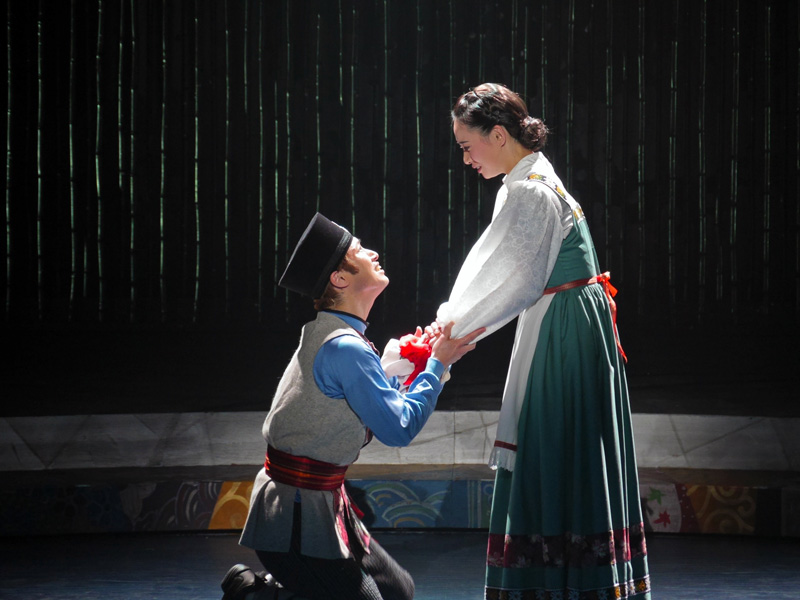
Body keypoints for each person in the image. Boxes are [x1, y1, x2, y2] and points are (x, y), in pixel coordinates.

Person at [434, 83, 651, 599]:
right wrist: (453, 323)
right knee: (571, 443)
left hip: (564, 328)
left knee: (552, 441)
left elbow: (513, 280)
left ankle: (557, 583)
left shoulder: (530, 190)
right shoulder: (530, 176)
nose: (465, 158)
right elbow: (498, 269)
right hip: (569, 318)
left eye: (467, 146)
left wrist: (451, 331)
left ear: (498, 135)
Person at [220, 213, 484, 600]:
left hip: (321, 507)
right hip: (294, 521)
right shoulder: (345, 347)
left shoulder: (337, 334)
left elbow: (357, 416)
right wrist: (436, 364)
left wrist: (419, 364)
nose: (373, 252)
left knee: (398, 590)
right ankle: (255, 593)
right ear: (340, 279)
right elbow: (399, 428)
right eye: (359, 250)